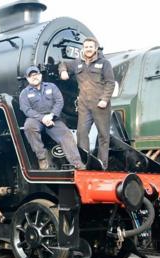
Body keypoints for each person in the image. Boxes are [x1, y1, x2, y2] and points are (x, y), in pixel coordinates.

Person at [58, 37, 115, 169]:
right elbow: (63, 63)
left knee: (103, 135)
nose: (88, 49)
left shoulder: (104, 63)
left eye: (91, 47)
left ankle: (102, 165)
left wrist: (104, 99)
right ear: (83, 48)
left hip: (100, 103)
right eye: (86, 47)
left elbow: (110, 83)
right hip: (84, 104)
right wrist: (63, 71)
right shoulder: (78, 63)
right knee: (81, 133)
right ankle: (85, 162)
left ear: (95, 48)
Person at [19, 65, 86, 170]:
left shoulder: (51, 86)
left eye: (36, 74)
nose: (34, 77)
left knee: (66, 134)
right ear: (27, 79)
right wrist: (42, 118)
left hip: (53, 118)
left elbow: (59, 101)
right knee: (29, 127)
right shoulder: (24, 93)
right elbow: (26, 109)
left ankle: (77, 162)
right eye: (31, 76)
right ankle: (41, 157)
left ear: (40, 75)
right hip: (36, 119)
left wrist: (51, 116)